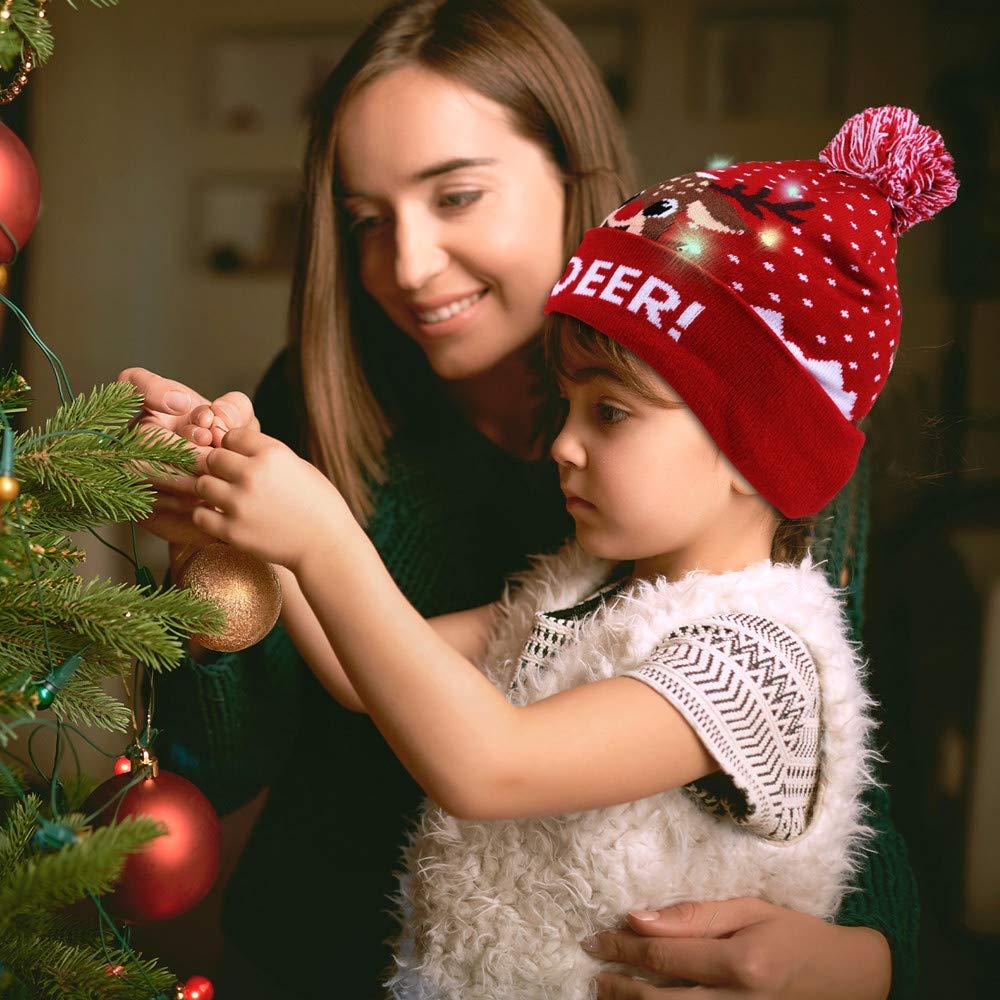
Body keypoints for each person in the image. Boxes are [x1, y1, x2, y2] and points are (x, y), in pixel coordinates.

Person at [122, 3, 920, 997]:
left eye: (455, 196)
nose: (406, 265)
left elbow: (832, 789)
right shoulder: (565, 568)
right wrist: (225, 523)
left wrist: (866, 963)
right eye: (367, 219)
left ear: (570, 176)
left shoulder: (751, 522)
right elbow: (340, 683)